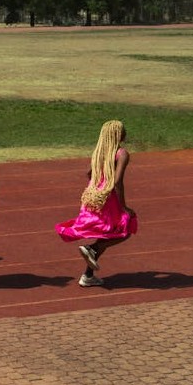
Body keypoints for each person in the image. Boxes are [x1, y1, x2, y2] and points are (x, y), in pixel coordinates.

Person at [55, 120, 137, 288]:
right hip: (109, 198)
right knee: (125, 228)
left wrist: (97, 185)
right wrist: (124, 207)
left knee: (105, 234)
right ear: (117, 134)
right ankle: (92, 249)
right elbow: (117, 182)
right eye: (122, 130)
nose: (125, 132)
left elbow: (89, 172)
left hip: (94, 197)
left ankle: (88, 275)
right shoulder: (121, 153)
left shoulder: (99, 152)